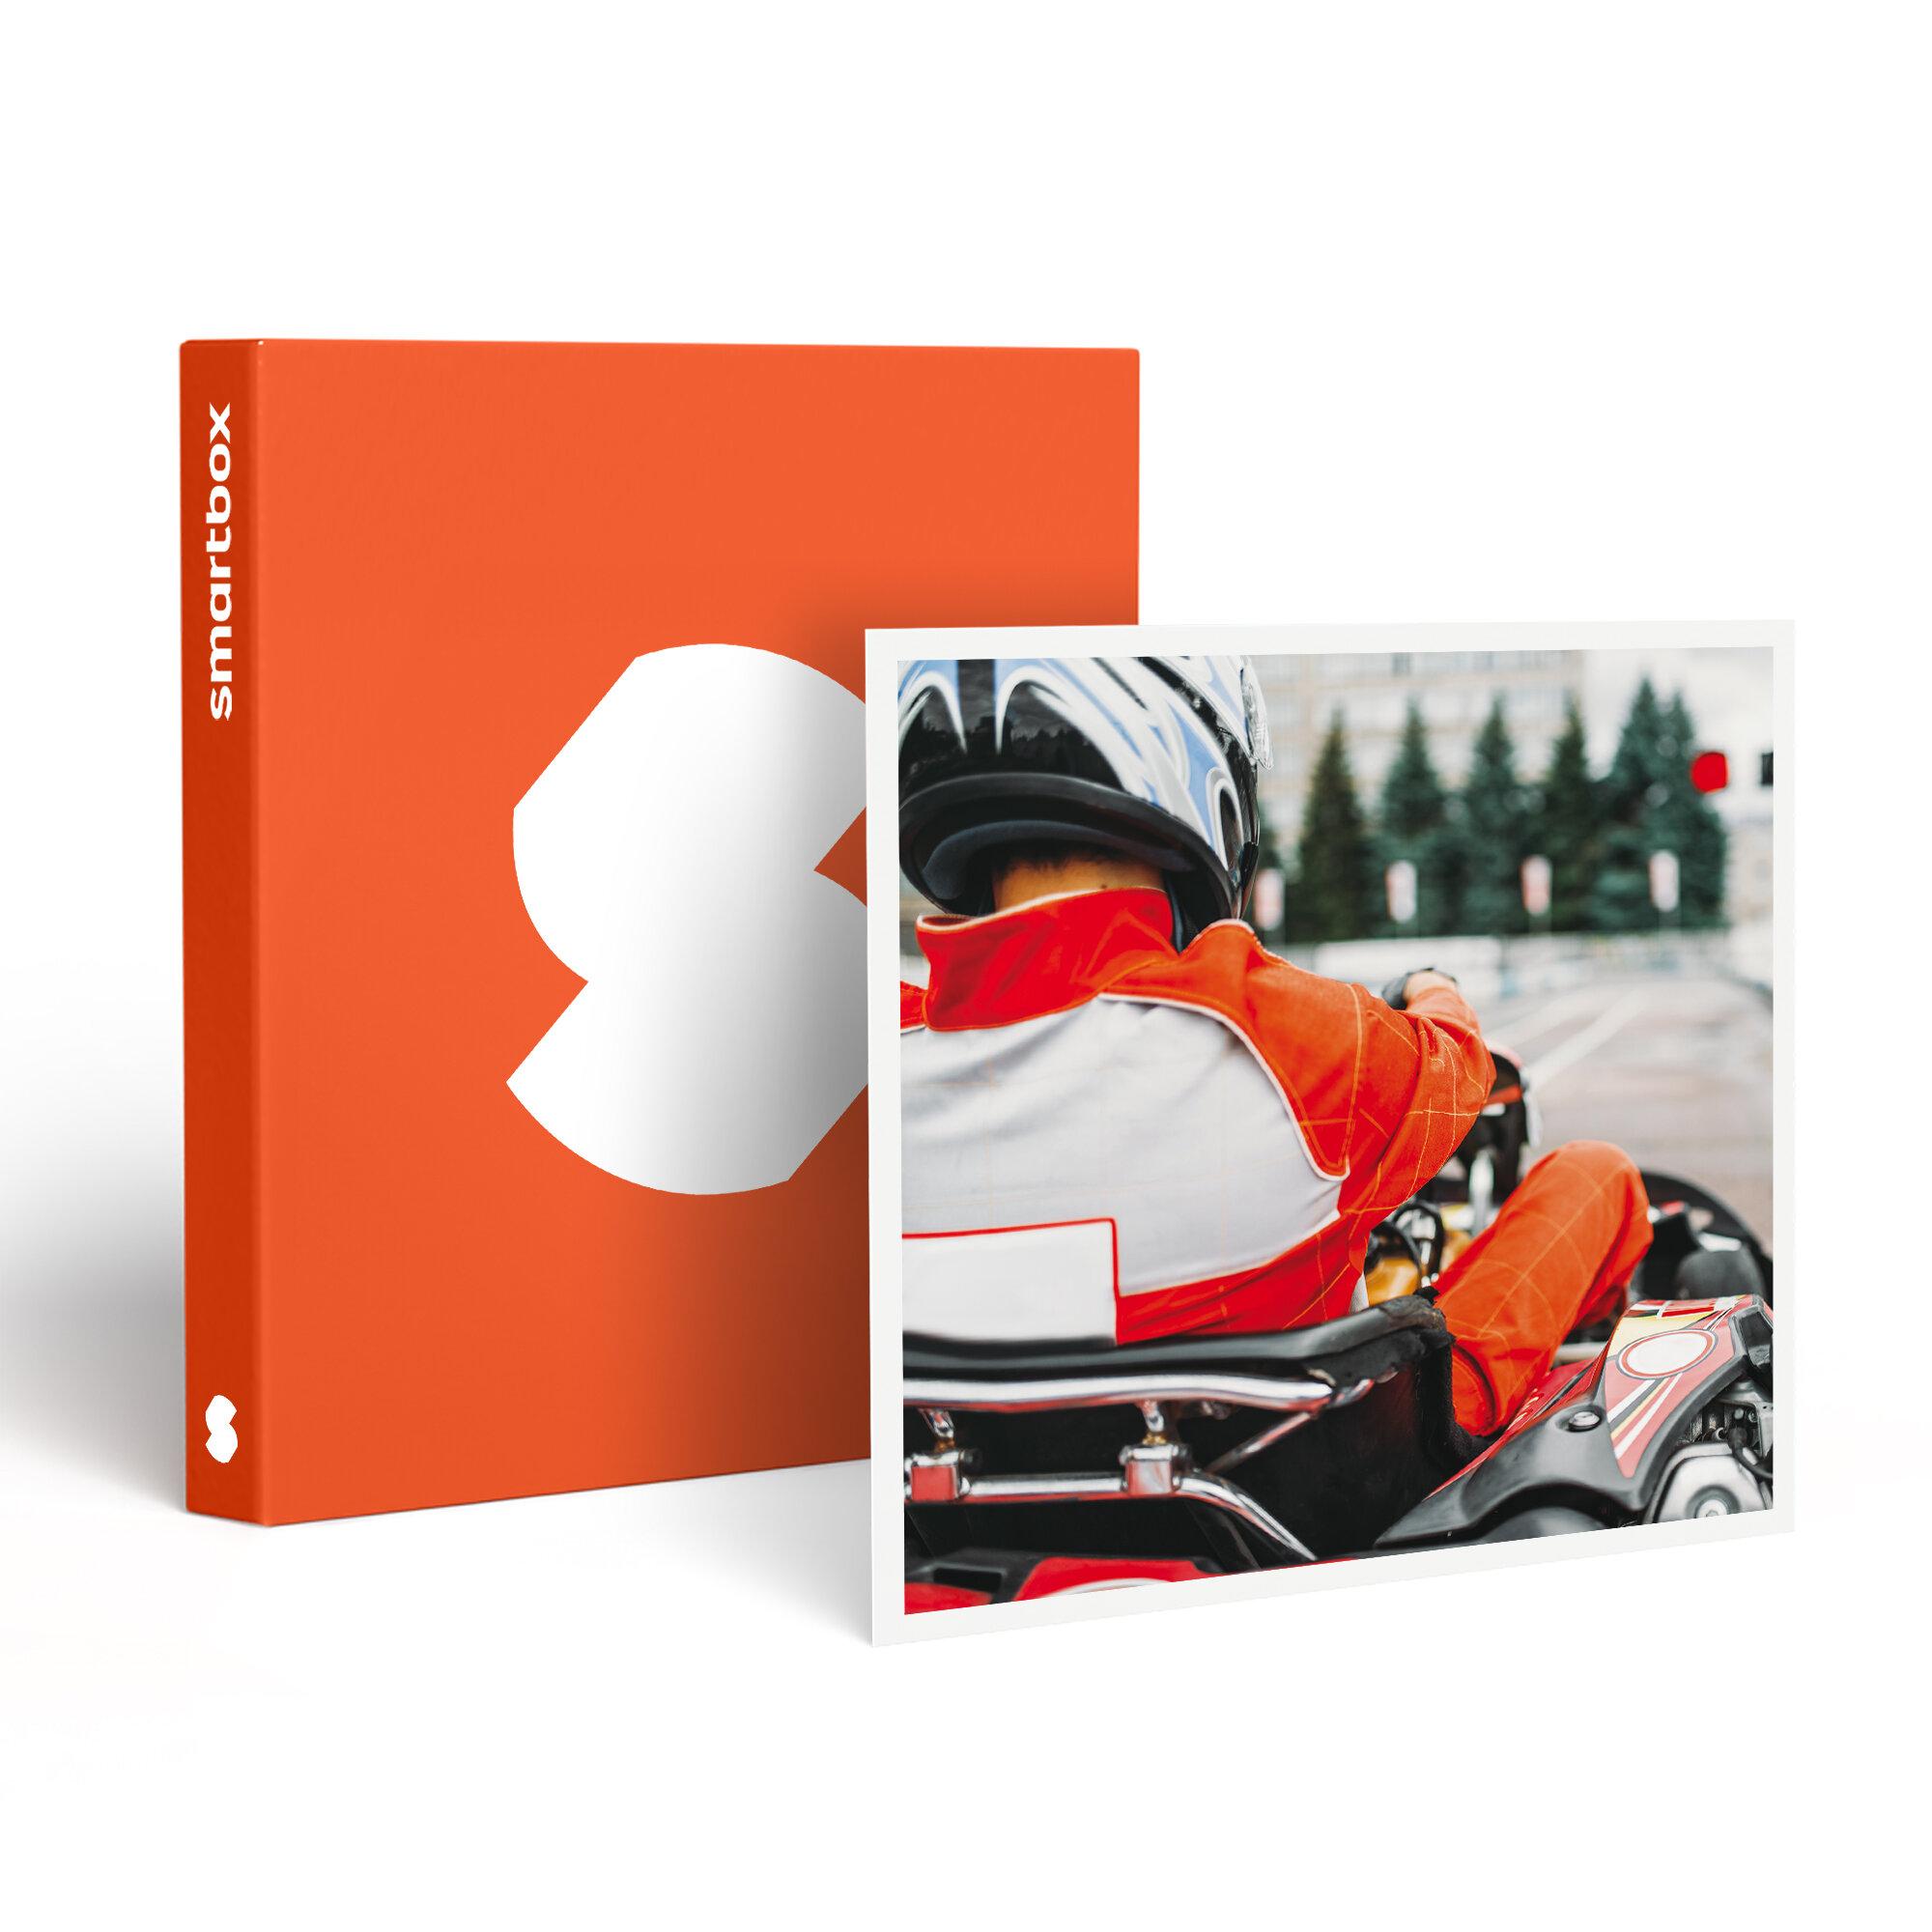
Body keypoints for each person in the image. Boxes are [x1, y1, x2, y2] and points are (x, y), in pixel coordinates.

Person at [896, 654, 1652, 1435]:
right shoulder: (1282, 1031)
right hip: (1314, 1478)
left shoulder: (868, 1070)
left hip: (958, 1475)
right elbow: (1460, 1063)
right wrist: (1431, 985)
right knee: (1597, 1173)